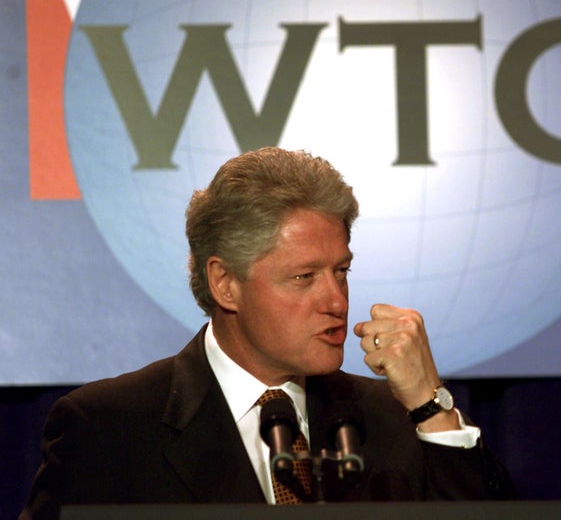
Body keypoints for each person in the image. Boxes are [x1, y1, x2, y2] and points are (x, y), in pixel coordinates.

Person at [20, 147, 514, 519]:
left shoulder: (393, 419)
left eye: (341, 271)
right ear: (225, 283)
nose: (337, 301)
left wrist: (431, 407)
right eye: (304, 277)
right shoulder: (108, 427)